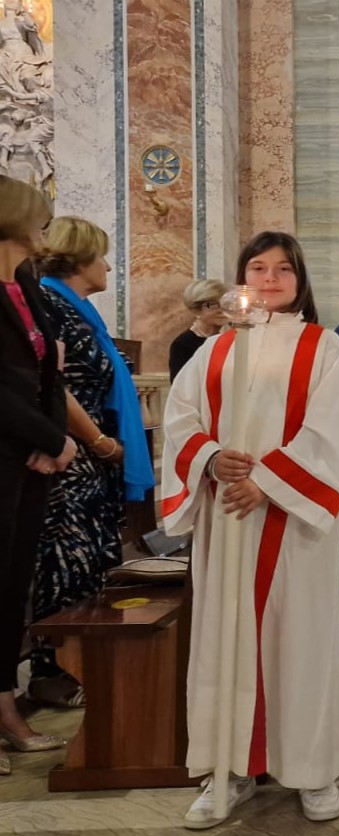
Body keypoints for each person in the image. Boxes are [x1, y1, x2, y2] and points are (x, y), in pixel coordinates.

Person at [162, 231, 339, 829]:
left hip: (294, 524)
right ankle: (228, 769)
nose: (270, 278)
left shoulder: (323, 348)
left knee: (301, 642)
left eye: (282, 269)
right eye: (258, 268)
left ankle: (312, 769)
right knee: (225, 640)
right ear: (242, 278)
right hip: (228, 519)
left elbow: (337, 429)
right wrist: (209, 458)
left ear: (300, 280)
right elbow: (180, 418)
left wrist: (269, 482)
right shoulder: (215, 349)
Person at [29, 216, 154, 708]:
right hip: (71, 456)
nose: (107, 266)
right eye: (100, 256)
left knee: (92, 563)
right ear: (79, 259)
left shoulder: (78, 310)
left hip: (91, 461)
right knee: (65, 562)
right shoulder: (49, 303)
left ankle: (87, 663)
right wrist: (100, 442)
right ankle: (54, 671)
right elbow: (52, 385)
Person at [0, 176, 75, 776]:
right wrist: (51, 439)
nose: (46, 226)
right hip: (9, 447)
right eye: (39, 216)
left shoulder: (26, 281)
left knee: (11, 587)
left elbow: (50, 368)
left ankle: (5, 709)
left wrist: (53, 441)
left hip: (30, 457)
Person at [168, 278, 230, 380]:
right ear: (195, 310)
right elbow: (180, 384)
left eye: (224, 303)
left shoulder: (227, 340)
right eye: (212, 304)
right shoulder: (182, 344)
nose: (221, 310)